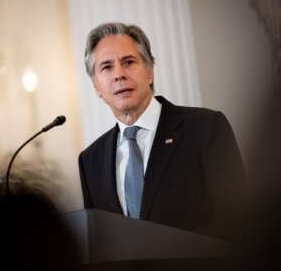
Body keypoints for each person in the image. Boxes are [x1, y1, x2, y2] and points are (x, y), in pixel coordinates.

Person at [78, 22, 245, 233]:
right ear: (96, 86)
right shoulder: (90, 160)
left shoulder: (205, 129)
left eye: (128, 62)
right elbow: (99, 239)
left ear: (150, 72)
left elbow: (237, 218)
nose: (119, 74)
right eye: (107, 67)